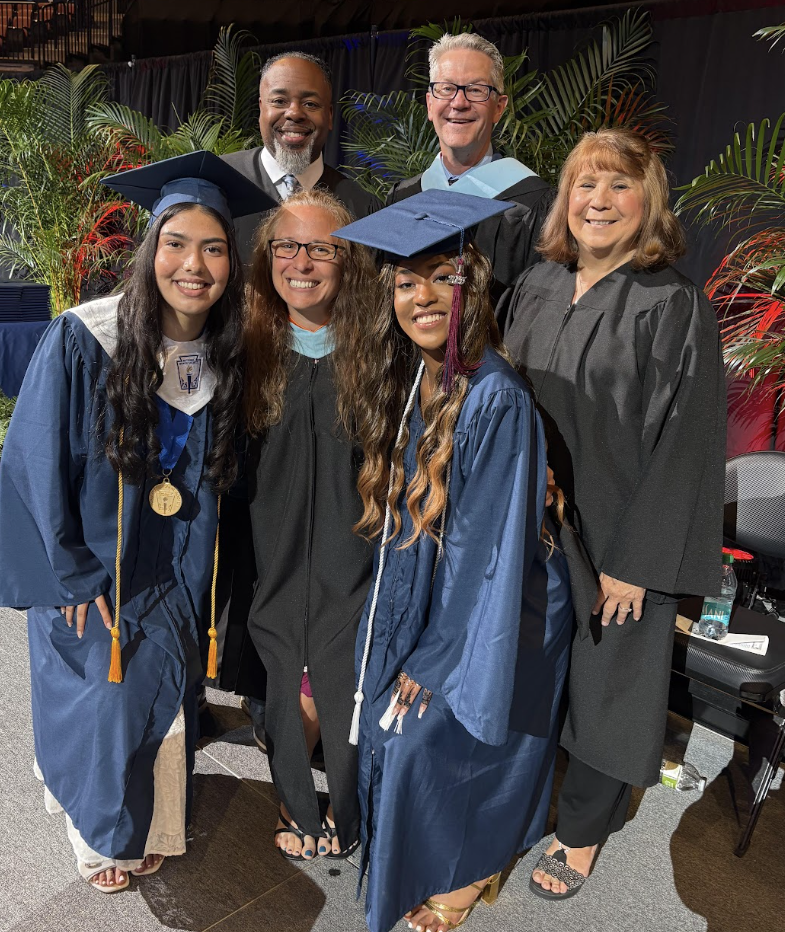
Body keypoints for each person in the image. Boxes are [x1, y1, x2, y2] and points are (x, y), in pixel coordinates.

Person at [0, 152, 267, 892]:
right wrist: (69, 568)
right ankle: (99, 835)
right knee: (105, 700)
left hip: (176, 562)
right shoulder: (87, 337)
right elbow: (34, 462)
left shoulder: (222, 353)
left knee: (163, 695)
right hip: (97, 563)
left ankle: (151, 825)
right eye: (177, 244)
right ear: (150, 251)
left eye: (213, 248)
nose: (194, 265)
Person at [333, 190, 575, 932]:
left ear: (471, 284)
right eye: (405, 283)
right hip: (449, 590)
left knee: (429, 736)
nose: (421, 297)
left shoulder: (493, 395)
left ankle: (464, 873)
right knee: (390, 726)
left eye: (441, 276)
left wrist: (434, 656)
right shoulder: (427, 377)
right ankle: (424, 859)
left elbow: (486, 549)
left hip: (502, 603)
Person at [501, 128, 727, 899]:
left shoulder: (672, 303)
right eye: (583, 185)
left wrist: (638, 558)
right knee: (527, 667)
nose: (598, 201)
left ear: (648, 202)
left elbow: (688, 442)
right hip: (530, 520)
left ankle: (583, 830)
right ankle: (520, 798)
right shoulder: (534, 283)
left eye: (618, 186)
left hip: (621, 529)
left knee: (610, 681)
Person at [243, 188, 375, 861]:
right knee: (277, 658)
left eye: (321, 247)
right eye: (286, 246)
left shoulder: (379, 348)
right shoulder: (248, 344)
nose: (301, 260)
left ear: (349, 260)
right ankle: (297, 805)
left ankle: (347, 814)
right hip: (271, 538)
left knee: (341, 668)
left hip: (354, 544)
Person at [386, 32, 554, 304]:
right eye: (446, 88)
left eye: (476, 90)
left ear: (499, 108)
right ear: (430, 104)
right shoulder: (402, 199)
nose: (459, 103)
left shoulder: (533, 204)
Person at [221, 51, 376, 263]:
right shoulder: (220, 182)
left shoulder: (361, 208)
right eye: (279, 101)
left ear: (329, 116)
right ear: (261, 109)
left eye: (310, 104)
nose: (294, 113)